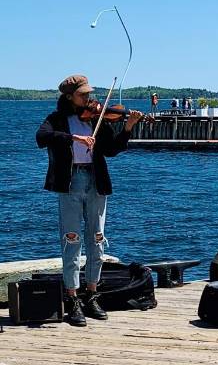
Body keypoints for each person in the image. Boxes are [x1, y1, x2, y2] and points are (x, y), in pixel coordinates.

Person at [36, 75, 142, 327]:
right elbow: (42, 138)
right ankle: (72, 298)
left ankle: (92, 294)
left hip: (96, 181)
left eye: (89, 94)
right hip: (70, 183)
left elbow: (111, 150)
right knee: (71, 240)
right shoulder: (57, 120)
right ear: (70, 96)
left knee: (97, 238)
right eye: (83, 95)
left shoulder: (95, 117)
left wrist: (128, 127)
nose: (90, 99)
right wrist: (75, 138)